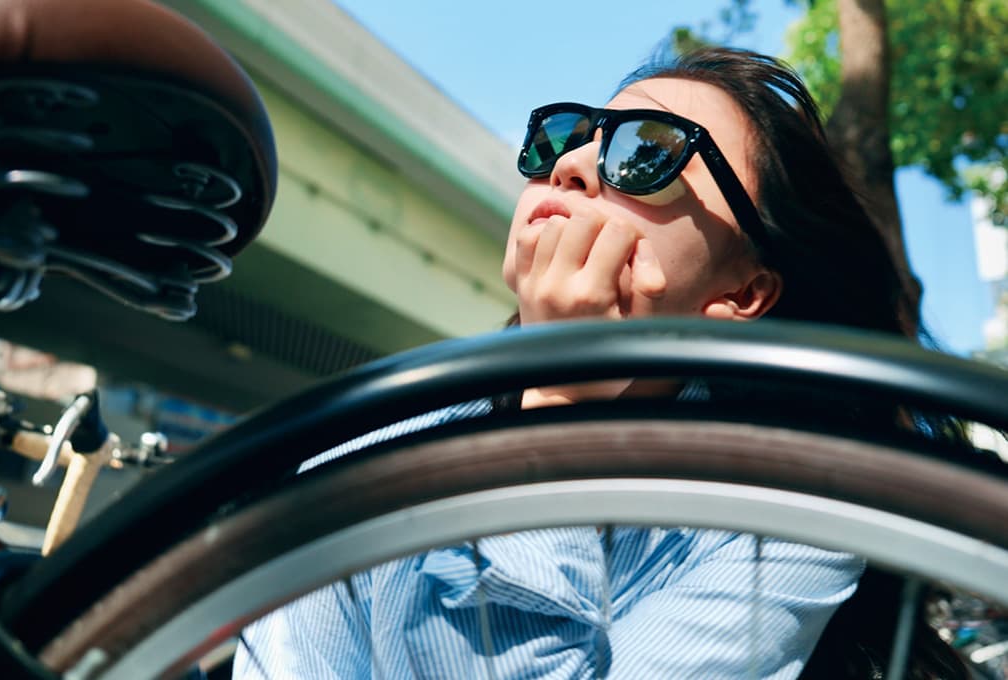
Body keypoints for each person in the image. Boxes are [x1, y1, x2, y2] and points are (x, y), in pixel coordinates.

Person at [233, 46, 966, 679]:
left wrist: (560, 403)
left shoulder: (790, 517)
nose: (574, 166)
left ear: (742, 290)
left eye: (649, 152)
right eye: (564, 137)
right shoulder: (364, 451)